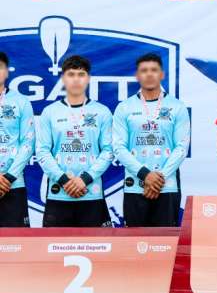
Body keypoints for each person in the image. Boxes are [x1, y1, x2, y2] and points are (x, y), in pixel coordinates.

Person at [113, 53, 190, 226]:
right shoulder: (124, 107)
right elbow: (118, 147)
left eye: (154, 70)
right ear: (137, 75)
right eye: (144, 70)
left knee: (166, 240)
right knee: (134, 239)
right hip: (135, 186)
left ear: (162, 74)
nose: (149, 74)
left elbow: (181, 147)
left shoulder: (177, 107)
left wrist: (158, 178)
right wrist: (145, 175)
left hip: (167, 185)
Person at [37, 55, 113, 227]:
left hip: (91, 192)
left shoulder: (102, 112)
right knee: (54, 244)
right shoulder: (50, 112)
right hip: (59, 193)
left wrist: (84, 179)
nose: (76, 79)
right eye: (71, 74)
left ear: (88, 78)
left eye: (81, 74)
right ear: (63, 78)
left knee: (97, 243)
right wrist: (65, 180)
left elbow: (108, 151)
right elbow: (42, 151)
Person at [0, 51, 35, 227]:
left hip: (13, 184)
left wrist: (8, 177)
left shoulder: (21, 102)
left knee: (17, 240)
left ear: (7, 72)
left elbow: (28, 143)